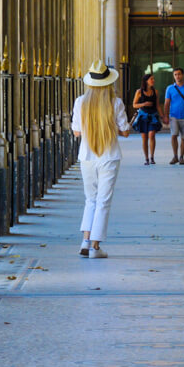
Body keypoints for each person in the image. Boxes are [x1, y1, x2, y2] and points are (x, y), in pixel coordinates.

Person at [71, 59, 130, 259]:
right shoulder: (116, 103)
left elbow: (77, 132)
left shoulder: (80, 102)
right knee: (103, 201)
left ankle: (85, 241)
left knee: (90, 199)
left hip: (87, 156)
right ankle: (95, 247)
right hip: (109, 156)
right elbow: (125, 131)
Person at [163, 67, 184, 165]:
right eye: (175, 74)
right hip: (173, 116)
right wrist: (166, 116)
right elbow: (167, 103)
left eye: (179, 74)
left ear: (183, 75)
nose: (177, 76)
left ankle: (181, 157)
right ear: (173, 76)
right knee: (174, 135)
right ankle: (175, 156)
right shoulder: (170, 88)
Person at [131, 73, 165, 165]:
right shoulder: (139, 92)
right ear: (146, 81)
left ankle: (152, 157)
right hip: (143, 117)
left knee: (152, 135)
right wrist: (144, 104)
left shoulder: (155, 92)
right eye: (151, 79)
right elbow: (134, 105)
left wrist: (162, 116)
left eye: (153, 79)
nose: (153, 81)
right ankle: (146, 158)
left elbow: (157, 105)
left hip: (153, 116)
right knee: (144, 138)